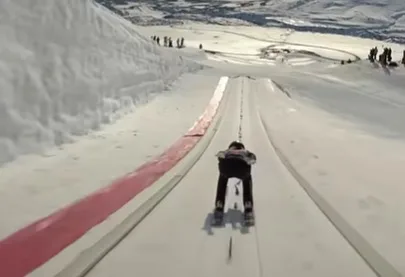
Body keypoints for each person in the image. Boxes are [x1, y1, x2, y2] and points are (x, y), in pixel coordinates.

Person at [214, 141, 257, 215]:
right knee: (247, 179)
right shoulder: (245, 151)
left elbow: (219, 155)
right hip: (242, 168)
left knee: (222, 178)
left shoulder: (227, 151)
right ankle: (248, 203)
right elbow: (253, 158)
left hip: (227, 167)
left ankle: (219, 202)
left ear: (231, 147)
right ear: (242, 147)